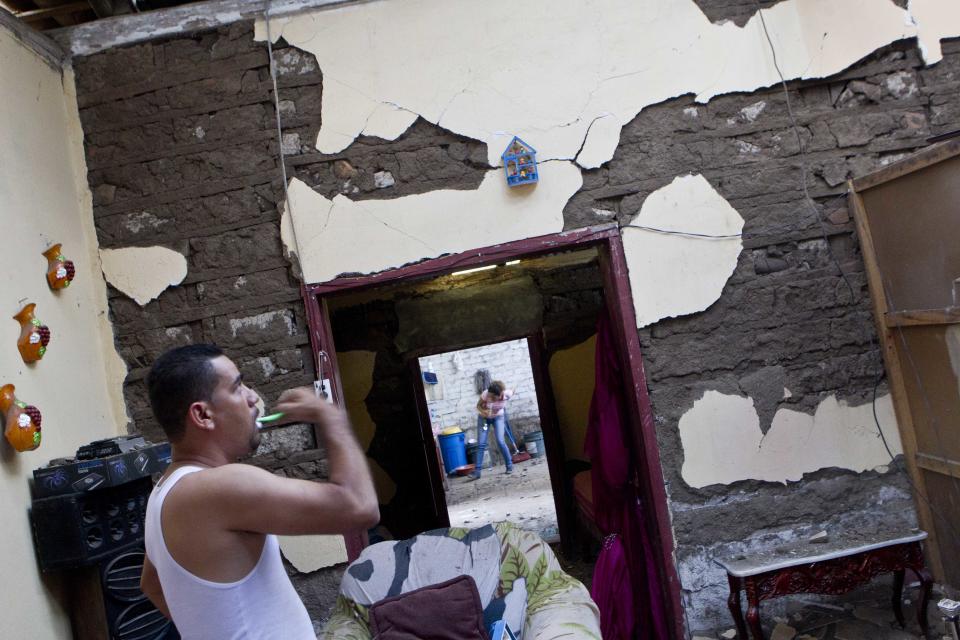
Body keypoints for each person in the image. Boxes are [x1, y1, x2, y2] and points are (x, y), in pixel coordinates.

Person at [139, 344, 378, 638]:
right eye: (238, 388)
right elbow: (359, 506)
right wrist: (333, 419)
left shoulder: (163, 493)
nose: (254, 398)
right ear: (203, 415)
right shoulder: (221, 487)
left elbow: (152, 585)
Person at [469, 380, 514, 479]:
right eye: (489, 395)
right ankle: (477, 472)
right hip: (484, 420)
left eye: (493, 397)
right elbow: (478, 406)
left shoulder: (506, 394)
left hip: (498, 418)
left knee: (500, 441)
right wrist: (484, 412)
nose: (490, 398)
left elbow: (513, 390)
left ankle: (509, 466)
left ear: (500, 394)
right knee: (481, 443)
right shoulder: (486, 394)